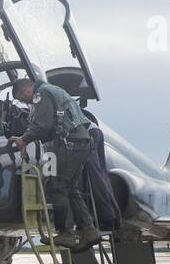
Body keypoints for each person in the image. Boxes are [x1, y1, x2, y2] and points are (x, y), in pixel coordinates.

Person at [8, 77, 101, 252]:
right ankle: (88, 230)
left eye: (22, 98)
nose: (24, 102)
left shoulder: (41, 94)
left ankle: (65, 232)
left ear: (26, 91)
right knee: (71, 188)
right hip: (80, 142)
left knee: (56, 186)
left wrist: (23, 139)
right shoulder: (53, 91)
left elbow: (43, 125)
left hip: (69, 144)